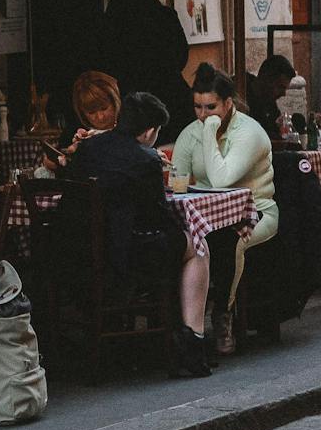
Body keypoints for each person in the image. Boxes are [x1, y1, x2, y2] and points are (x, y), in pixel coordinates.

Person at [62, 88, 212, 378]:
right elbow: (157, 218)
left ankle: (173, 334)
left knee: (175, 242)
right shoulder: (146, 160)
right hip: (124, 258)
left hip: (78, 254)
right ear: (148, 132)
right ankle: (192, 338)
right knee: (196, 244)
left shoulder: (87, 149)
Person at [168, 68, 277, 354]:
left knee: (232, 241)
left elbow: (221, 179)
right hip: (208, 215)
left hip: (256, 211)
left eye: (211, 107)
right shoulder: (189, 133)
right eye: (197, 107)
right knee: (182, 240)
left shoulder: (249, 132)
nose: (203, 115)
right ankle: (184, 320)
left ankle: (223, 313)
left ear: (228, 103)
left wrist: (207, 133)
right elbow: (176, 179)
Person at [99, 0, 193, 140]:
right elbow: (181, 55)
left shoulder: (111, 18)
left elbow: (104, 57)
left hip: (124, 93)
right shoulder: (164, 15)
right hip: (167, 93)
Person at [246, 53, 297, 143]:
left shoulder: (269, 101)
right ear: (267, 79)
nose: (283, 93)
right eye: (280, 87)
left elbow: (275, 130)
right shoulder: (242, 94)